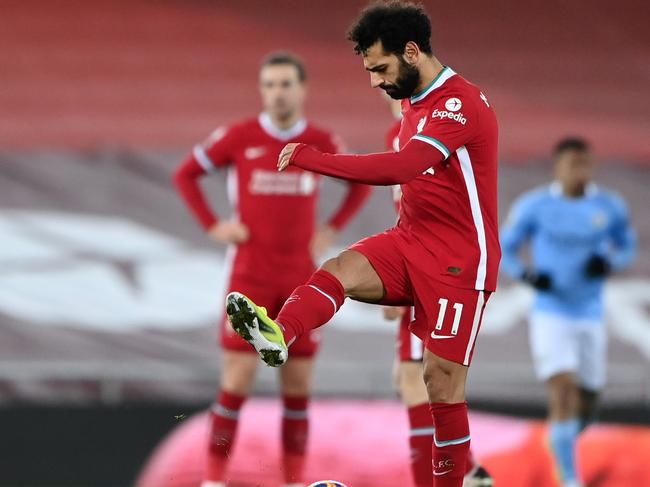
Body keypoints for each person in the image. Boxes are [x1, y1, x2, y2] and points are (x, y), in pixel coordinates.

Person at [224, 3, 500, 486]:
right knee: (341, 268)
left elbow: (401, 169)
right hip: (412, 240)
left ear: (412, 51)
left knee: (439, 384)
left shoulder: (459, 103)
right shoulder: (414, 104)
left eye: (380, 68)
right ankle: (279, 334)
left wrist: (317, 160)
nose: (374, 82)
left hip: (461, 262)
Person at [172, 51, 371, 487]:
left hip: (301, 279)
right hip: (250, 276)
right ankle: (214, 480)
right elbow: (185, 174)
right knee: (236, 384)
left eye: (285, 84)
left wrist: (332, 226)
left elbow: (359, 180)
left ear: (302, 89)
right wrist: (213, 226)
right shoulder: (239, 136)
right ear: (261, 90)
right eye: (269, 85)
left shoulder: (320, 139)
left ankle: (295, 481)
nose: (277, 93)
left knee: (297, 391)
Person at [500, 137, 637, 487]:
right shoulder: (535, 206)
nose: (581, 171)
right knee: (563, 388)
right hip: (550, 313)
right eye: (574, 163)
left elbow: (627, 244)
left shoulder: (608, 206)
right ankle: (570, 478)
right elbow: (507, 246)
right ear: (558, 166)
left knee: (588, 403)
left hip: (590, 314)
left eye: (586, 164)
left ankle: (560, 438)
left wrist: (609, 262)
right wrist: (528, 275)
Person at [382, 98, 492, 487]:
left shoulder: (436, 126)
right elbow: (410, 209)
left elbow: (442, 212)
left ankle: (459, 473)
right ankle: (470, 467)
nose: (380, 83)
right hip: (425, 262)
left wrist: (408, 283)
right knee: (407, 377)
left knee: (419, 381)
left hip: (437, 270)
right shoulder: (399, 132)